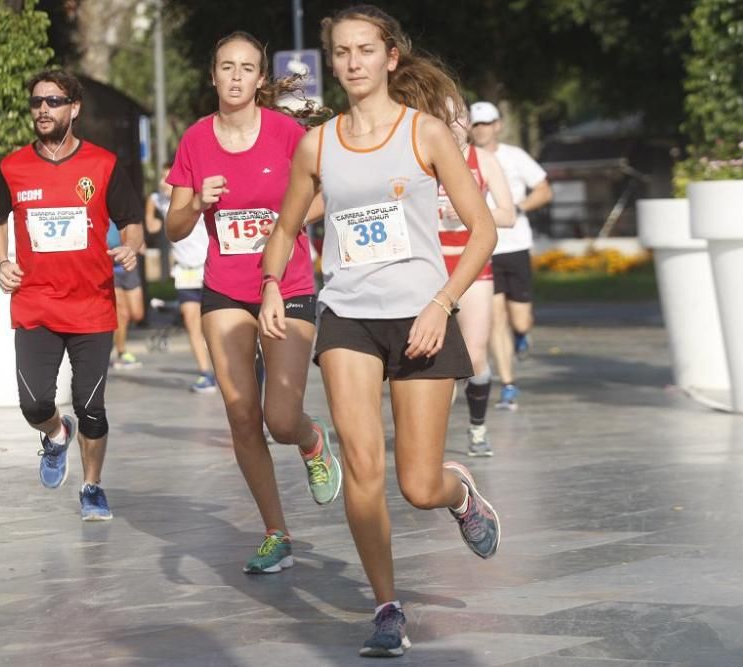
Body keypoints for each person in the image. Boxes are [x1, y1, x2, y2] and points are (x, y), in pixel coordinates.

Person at [259, 5, 501, 657]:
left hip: (422, 312)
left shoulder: (425, 134)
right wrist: (273, 285)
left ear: (391, 57)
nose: (353, 62)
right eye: (341, 52)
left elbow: (484, 230)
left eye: (365, 50)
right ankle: (387, 606)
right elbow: (285, 227)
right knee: (363, 465)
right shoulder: (319, 144)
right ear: (330, 62)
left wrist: (443, 302)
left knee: (416, 483)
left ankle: (459, 494)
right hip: (349, 316)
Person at [165, 30, 343, 574]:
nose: (237, 76)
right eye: (226, 67)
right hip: (224, 287)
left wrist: (282, 230)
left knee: (280, 417)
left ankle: (311, 441)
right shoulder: (196, 139)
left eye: (247, 68)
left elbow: (327, 195)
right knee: (242, 416)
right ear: (212, 75)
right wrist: (197, 201)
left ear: (261, 78)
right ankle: (276, 532)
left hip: (287, 285)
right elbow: (173, 228)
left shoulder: (288, 133)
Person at [0, 69, 144, 521]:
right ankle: (56, 434)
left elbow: (133, 220)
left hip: (92, 306)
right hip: (34, 303)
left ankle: (92, 486)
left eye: (53, 101)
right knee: (33, 402)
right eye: (36, 102)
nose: (43, 109)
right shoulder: (12, 168)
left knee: (92, 408)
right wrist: (1, 262)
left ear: (74, 109)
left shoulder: (103, 165)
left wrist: (130, 246)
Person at [438, 104, 515, 456]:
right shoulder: (424, 156)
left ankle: (477, 428)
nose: (452, 123)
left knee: (474, 353)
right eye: (443, 116)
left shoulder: (482, 160)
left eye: (458, 116)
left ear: (466, 121)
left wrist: (470, 211)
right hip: (432, 267)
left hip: (473, 268)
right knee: (433, 358)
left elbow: (508, 215)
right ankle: (430, 437)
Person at [469, 100, 552, 410]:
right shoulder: (463, 158)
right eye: (476, 124)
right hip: (485, 248)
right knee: (495, 317)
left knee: (521, 318)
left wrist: (518, 208)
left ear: (498, 125)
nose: (481, 129)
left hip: (515, 245)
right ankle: (508, 384)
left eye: (486, 123)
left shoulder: (515, 157)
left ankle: (523, 335)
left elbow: (544, 190)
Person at [145, 163, 216, 393]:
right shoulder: (157, 200)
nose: (166, 182)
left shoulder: (197, 196)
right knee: (190, 320)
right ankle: (205, 373)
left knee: (212, 325)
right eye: (163, 177)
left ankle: (225, 368)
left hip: (208, 265)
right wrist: (156, 223)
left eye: (170, 177)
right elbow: (152, 225)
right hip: (185, 269)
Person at [107, 220, 144, 370]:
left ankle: (115, 346)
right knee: (122, 313)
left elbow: (135, 225)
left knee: (137, 314)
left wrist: (136, 243)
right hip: (109, 263)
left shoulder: (123, 204)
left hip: (127, 262)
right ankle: (121, 351)